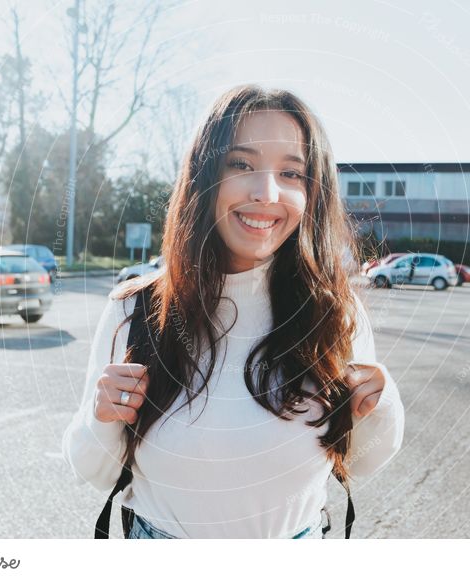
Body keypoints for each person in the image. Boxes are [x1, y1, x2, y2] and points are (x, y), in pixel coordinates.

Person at [61, 84, 405, 539]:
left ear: (312, 193)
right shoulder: (136, 309)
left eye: (291, 173)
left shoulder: (335, 313)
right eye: (241, 164)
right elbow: (97, 472)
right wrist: (100, 418)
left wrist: (383, 408)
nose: (266, 192)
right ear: (204, 177)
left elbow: (359, 464)